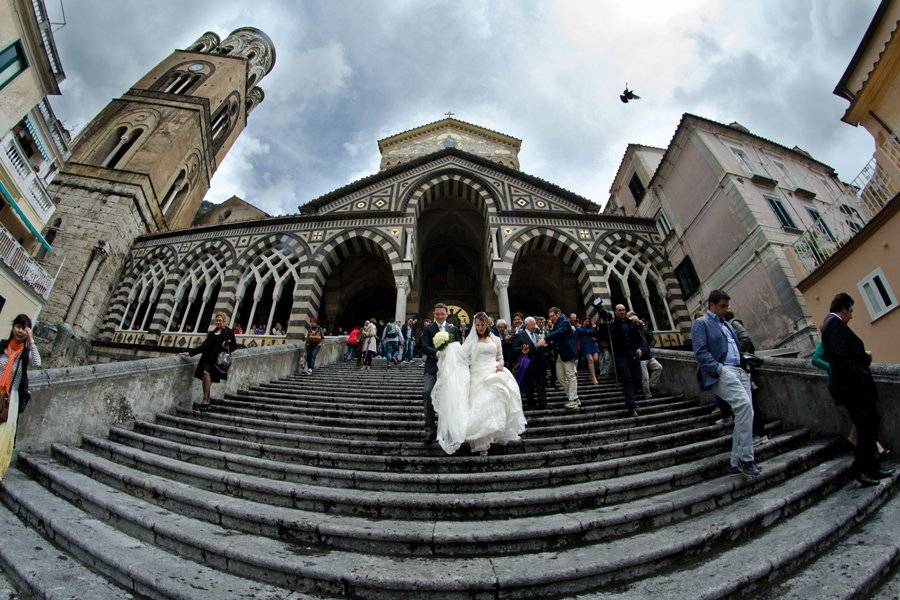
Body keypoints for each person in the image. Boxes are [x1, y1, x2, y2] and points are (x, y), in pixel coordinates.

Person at [821, 292, 893, 486]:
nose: (851, 316)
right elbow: (840, 357)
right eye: (850, 311)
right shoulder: (834, 323)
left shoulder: (830, 324)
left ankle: (869, 468)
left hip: (852, 387)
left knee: (868, 425)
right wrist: (861, 368)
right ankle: (861, 469)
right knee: (867, 424)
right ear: (843, 309)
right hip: (853, 388)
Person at [431, 312, 526, 455]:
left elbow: (500, 357)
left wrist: (500, 364)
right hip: (477, 375)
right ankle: (482, 443)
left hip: (494, 372)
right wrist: (447, 348)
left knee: (496, 402)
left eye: (482, 325)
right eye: (477, 325)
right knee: (481, 406)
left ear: (487, 324)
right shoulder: (471, 341)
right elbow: (461, 356)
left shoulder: (495, 339)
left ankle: (491, 435)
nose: (480, 328)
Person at [692, 290, 761, 479]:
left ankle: (735, 459)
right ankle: (747, 459)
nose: (726, 309)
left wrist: (744, 363)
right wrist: (719, 369)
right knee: (745, 407)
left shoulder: (727, 325)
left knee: (747, 411)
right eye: (722, 306)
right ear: (712, 305)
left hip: (739, 370)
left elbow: (735, 346)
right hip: (724, 371)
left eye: (726, 306)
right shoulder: (701, 323)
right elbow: (699, 351)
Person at [0, 314, 41, 479]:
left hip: (10, 399)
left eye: (24, 328)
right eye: (18, 326)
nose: (20, 331)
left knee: (2, 436)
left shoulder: (25, 353)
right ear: (13, 327)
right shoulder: (2, 347)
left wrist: (31, 340)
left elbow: (38, 363)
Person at [420, 303, 460, 444]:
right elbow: (424, 346)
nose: (440, 316)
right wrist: (437, 353)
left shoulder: (453, 329)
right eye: (437, 314)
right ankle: (429, 429)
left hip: (449, 369)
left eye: (442, 314)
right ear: (434, 314)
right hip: (432, 367)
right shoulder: (428, 328)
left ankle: (448, 428)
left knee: (450, 397)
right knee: (427, 391)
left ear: (446, 314)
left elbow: (457, 346)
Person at [180, 312, 237, 410]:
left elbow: (234, 346)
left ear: (224, 322)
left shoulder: (228, 332)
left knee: (206, 373)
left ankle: (206, 399)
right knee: (205, 377)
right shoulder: (211, 333)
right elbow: (203, 346)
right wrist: (189, 353)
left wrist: (226, 346)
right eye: (217, 320)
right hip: (206, 359)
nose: (218, 322)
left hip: (217, 360)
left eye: (220, 320)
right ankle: (206, 398)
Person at [609, 305, 644, 417]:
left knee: (637, 378)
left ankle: (631, 401)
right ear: (615, 312)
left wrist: (639, 348)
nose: (622, 312)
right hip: (621, 357)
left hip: (633, 356)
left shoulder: (631, 324)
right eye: (619, 310)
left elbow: (639, 338)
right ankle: (631, 406)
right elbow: (608, 339)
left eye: (623, 310)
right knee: (627, 379)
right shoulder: (613, 326)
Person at [544, 307, 580, 410]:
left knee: (570, 375)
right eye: (549, 317)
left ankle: (572, 400)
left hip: (567, 352)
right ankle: (574, 398)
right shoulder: (556, 324)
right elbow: (556, 338)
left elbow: (560, 332)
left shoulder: (565, 322)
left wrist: (546, 338)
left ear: (558, 314)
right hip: (560, 354)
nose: (551, 318)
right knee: (560, 377)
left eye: (552, 316)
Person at [512, 316, 547, 410]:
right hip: (528, 364)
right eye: (533, 323)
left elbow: (542, 348)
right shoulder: (520, 335)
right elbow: (514, 349)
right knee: (529, 385)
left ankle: (543, 403)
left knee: (541, 384)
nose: (535, 325)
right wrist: (522, 349)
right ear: (527, 324)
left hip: (539, 364)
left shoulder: (537, 335)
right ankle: (531, 404)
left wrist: (545, 345)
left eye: (535, 323)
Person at [631, 315, 663, 400]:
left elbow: (651, 339)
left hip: (649, 356)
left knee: (658, 367)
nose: (639, 322)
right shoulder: (632, 332)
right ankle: (648, 394)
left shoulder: (642, 330)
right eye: (636, 321)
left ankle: (651, 385)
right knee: (645, 377)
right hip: (641, 359)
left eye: (638, 321)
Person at [576, 318, 600, 385]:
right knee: (590, 359)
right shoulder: (579, 329)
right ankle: (594, 377)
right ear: (583, 321)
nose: (587, 323)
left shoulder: (591, 328)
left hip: (592, 344)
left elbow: (596, 334)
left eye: (588, 322)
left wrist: (594, 327)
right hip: (585, 345)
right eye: (586, 321)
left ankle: (591, 373)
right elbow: (579, 335)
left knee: (595, 359)